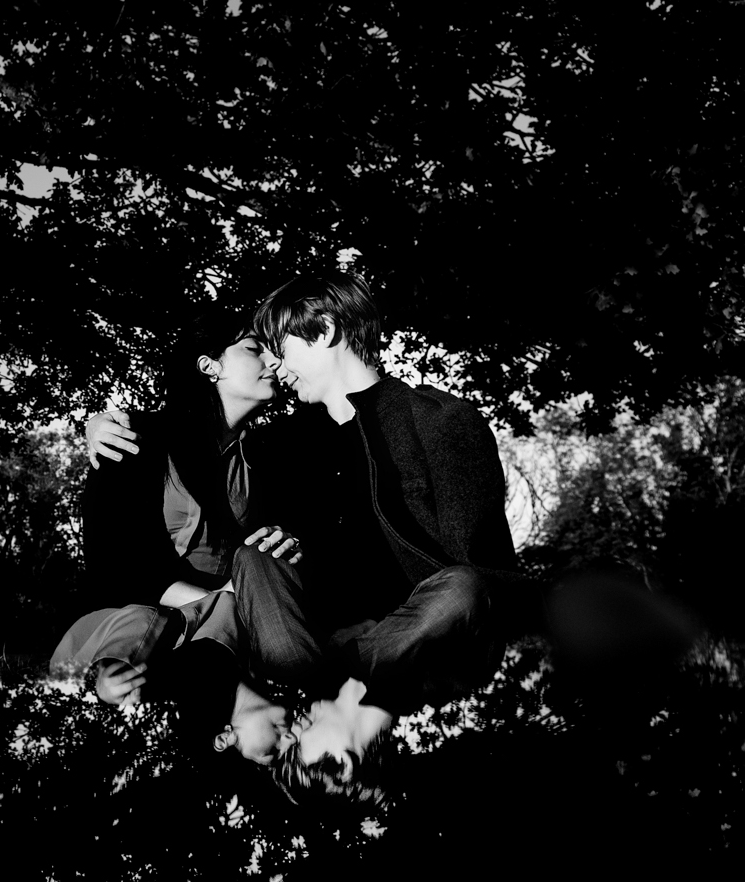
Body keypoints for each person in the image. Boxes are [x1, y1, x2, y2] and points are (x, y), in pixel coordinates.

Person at [86, 271, 532, 798]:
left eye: (280, 348)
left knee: (461, 589)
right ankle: (349, 676)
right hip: (306, 639)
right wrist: (108, 427)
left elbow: (489, 575)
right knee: (256, 561)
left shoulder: (440, 421)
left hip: (402, 628)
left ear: (321, 331)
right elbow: (239, 539)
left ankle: (353, 674)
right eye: (264, 350)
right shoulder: (279, 444)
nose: (275, 364)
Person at [51, 305, 301, 764]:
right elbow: (112, 563)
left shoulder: (272, 458)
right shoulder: (138, 439)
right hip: (147, 615)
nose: (274, 362)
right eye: (253, 348)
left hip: (234, 625)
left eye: (275, 352)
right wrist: (223, 599)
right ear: (209, 365)